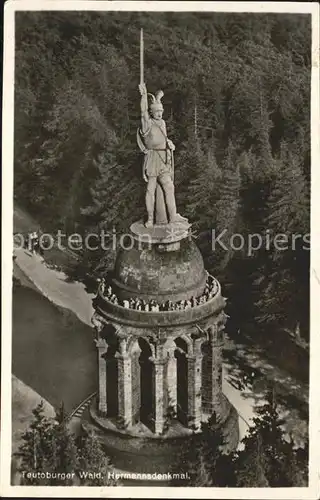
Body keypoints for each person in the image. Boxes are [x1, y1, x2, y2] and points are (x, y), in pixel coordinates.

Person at [137, 82, 188, 228]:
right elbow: (142, 112)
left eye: (161, 110)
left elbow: (163, 138)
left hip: (163, 158)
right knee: (150, 189)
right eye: (157, 111)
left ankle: (173, 217)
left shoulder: (163, 123)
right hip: (152, 159)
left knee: (169, 186)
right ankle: (151, 219)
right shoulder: (147, 123)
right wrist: (143, 96)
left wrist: (169, 143)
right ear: (152, 112)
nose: (160, 113)